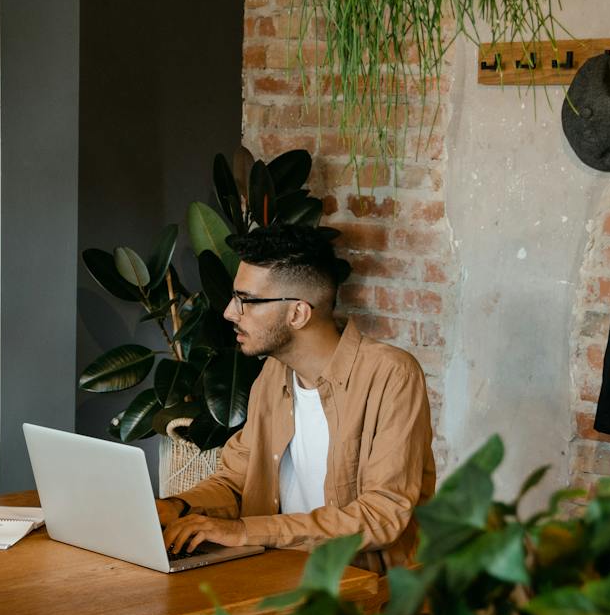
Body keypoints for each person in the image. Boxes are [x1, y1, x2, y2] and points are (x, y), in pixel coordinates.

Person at [157, 224, 437, 574]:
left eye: (246, 300)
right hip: (276, 581)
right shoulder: (273, 375)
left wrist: (245, 531)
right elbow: (235, 482)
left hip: (361, 602)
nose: (230, 312)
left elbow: (382, 516)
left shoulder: (392, 376)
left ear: (298, 313)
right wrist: (177, 506)